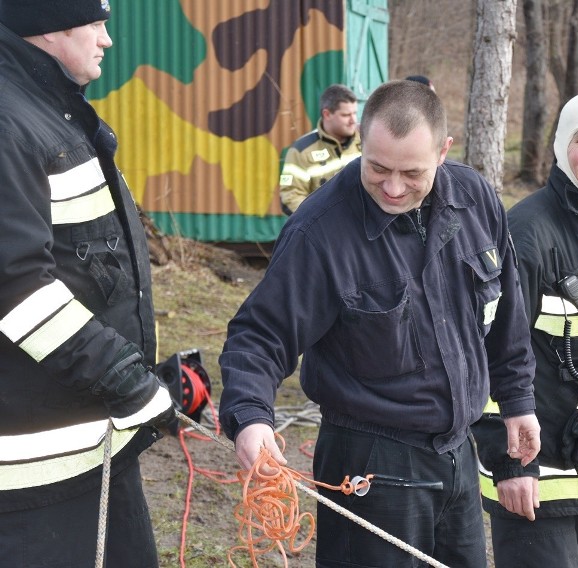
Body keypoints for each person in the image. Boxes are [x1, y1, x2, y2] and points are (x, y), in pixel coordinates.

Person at [219, 79, 541, 568]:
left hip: (458, 456)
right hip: (370, 463)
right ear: (360, 145)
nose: (392, 188)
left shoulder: (475, 199)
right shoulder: (321, 231)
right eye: (377, 168)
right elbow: (259, 336)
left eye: (411, 172)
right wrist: (251, 417)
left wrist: (517, 401)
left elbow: (507, 315)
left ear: (443, 152)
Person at [0, 1, 175, 566]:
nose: (108, 40)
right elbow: (18, 290)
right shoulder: (9, 122)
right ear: (53, 26)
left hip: (95, 442)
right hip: (32, 484)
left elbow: (86, 266)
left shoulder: (50, 109)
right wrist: (127, 379)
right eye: (96, 23)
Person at [472, 91, 578, 568]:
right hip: (531, 470)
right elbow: (489, 355)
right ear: (560, 147)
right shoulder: (526, 232)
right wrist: (510, 463)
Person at [279, 83, 361, 214]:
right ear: (327, 114)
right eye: (346, 115)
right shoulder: (301, 151)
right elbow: (291, 196)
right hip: (325, 230)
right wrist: (322, 219)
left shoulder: (367, 140)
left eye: (355, 113)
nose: (353, 120)